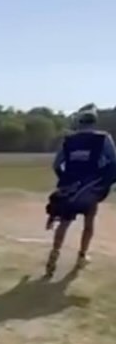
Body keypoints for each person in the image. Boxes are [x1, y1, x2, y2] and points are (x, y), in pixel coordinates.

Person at [45, 104, 116, 279]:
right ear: (94, 121)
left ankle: (54, 253)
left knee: (64, 222)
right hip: (90, 188)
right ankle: (82, 256)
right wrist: (104, 182)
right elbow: (113, 161)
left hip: (70, 188)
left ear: (79, 121)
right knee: (89, 222)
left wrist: (65, 179)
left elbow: (57, 164)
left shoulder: (69, 140)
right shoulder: (103, 138)